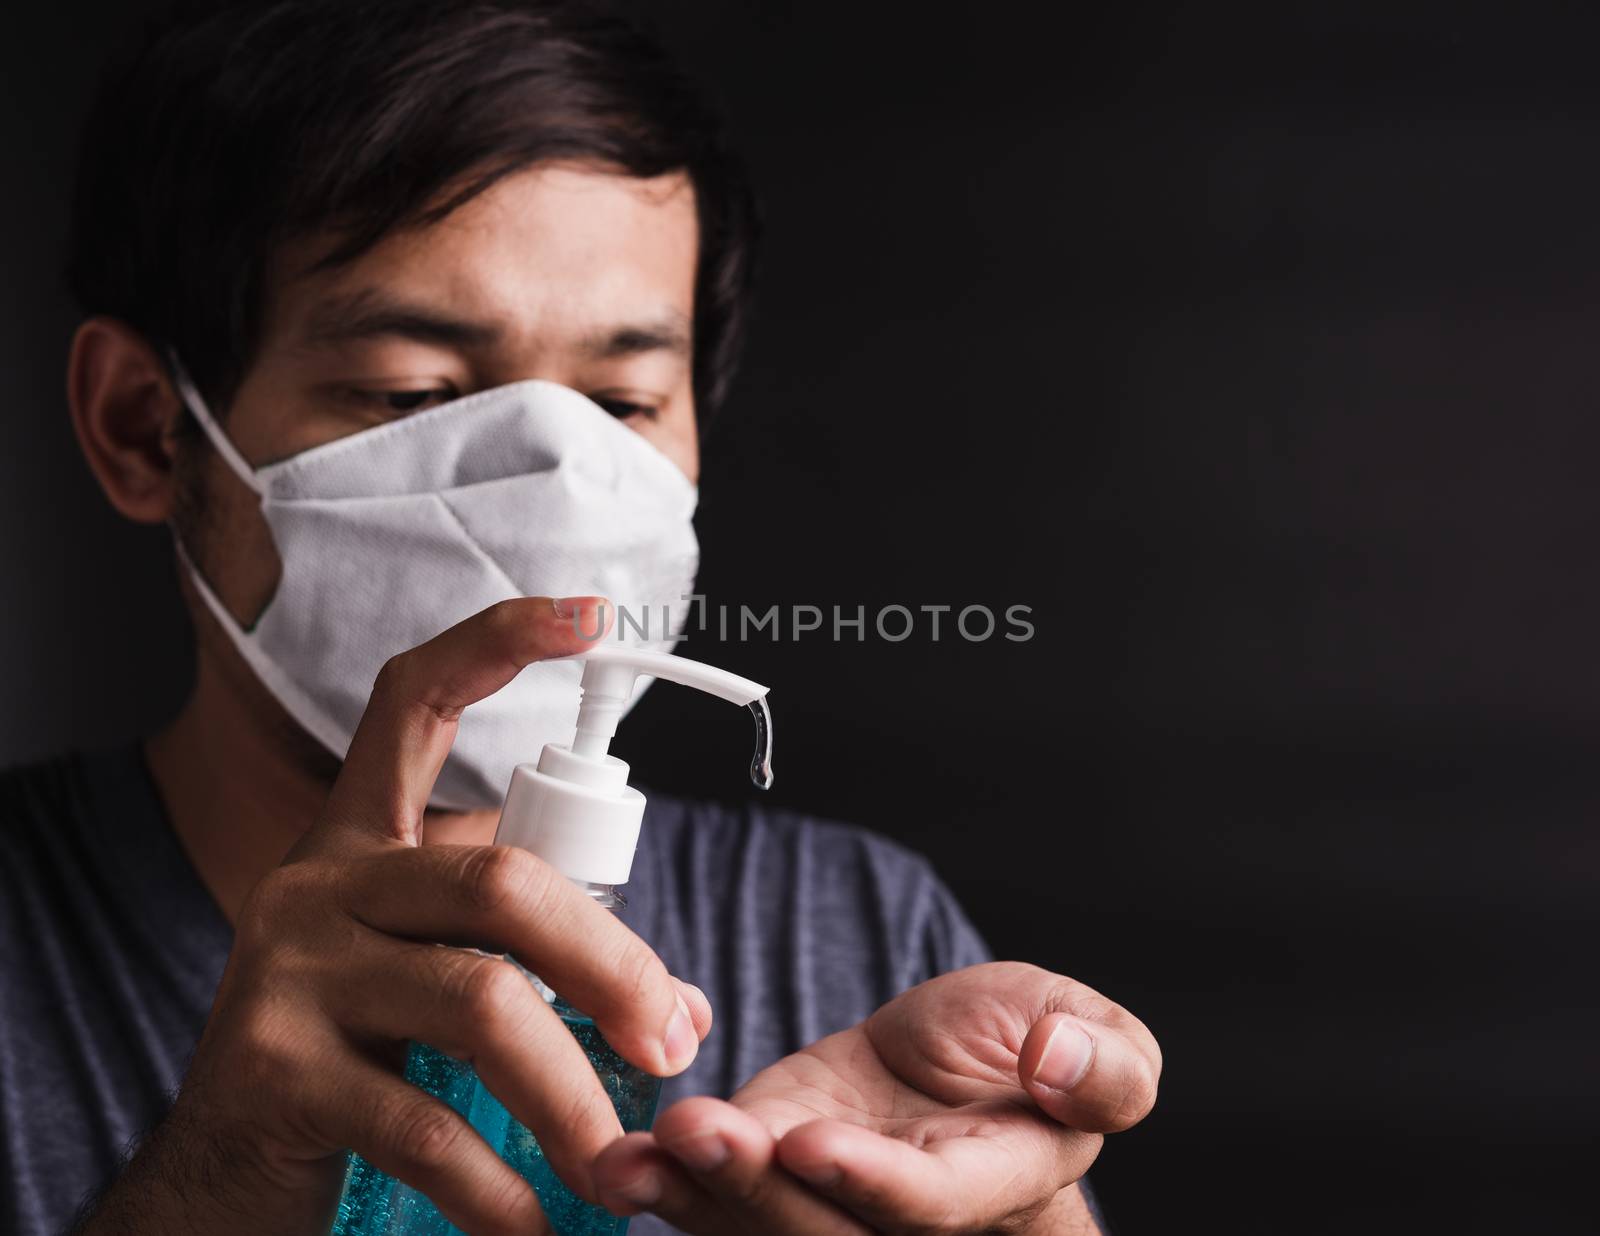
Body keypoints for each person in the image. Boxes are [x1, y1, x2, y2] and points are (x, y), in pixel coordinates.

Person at [0, 2, 1162, 1233]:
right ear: (143, 425)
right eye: (414, 391)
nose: (556, 486)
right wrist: (213, 1181)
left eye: (622, 400)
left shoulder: (866, 936)